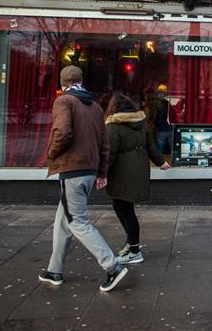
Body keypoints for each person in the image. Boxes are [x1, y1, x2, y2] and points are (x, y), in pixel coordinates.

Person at [40, 65, 129, 292]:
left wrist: (51, 153)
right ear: (81, 81)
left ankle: (112, 267)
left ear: (63, 83)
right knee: (64, 221)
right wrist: (101, 172)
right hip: (89, 171)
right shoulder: (95, 107)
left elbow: (62, 132)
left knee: (77, 222)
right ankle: (54, 270)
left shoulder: (64, 101)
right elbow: (104, 143)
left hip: (72, 171)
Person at [105, 94, 170, 264]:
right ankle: (131, 243)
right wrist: (161, 162)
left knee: (125, 210)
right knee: (123, 207)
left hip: (121, 173)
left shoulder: (113, 127)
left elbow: (109, 154)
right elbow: (151, 146)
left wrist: (101, 173)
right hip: (139, 170)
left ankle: (134, 250)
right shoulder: (142, 124)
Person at [149, 85, 173, 155]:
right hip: (170, 127)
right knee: (172, 149)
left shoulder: (156, 102)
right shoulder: (170, 101)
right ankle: (172, 161)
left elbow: (154, 116)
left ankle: (160, 161)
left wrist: (153, 124)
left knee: (160, 149)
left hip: (160, 128)